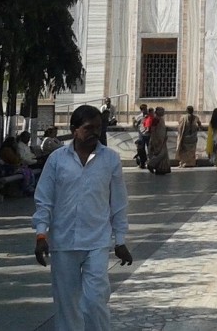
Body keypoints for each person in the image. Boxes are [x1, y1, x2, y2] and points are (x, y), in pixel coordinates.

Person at [33, 104, 132, 331]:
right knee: (67, 306)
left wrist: (120, 240)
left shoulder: (110, 159)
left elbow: (118, 203)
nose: (95, 133)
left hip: (96, 242)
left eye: (98, 128)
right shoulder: (57, 160)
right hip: (63, 243)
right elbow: (44, 200)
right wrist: (41, 234)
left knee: (95, 301)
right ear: (74, 129)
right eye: (89, 128)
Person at [146, 107, 171, 174]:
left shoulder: (161, 119)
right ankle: (151, 164)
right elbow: (153, 130)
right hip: (157, 140)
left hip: (162, 139)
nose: (163, 112)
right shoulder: (156, 119)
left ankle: (161, 169)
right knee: (160, 154)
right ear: (157, 112)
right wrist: (155, 140)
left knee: (164, 154)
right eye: (162, 111)